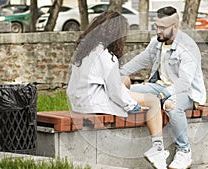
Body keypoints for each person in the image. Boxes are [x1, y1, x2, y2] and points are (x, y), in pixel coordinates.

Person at [66, 11, 169, 169]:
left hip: (79, 101)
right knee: (153, 102)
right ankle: (158, 150)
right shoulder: (106, 55)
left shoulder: (85, 50)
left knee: (126, 81)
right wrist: (132, 106)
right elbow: (114, 91)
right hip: (94, 103)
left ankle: (157, 148)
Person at [120, 6, 206, 169]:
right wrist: (116, 74)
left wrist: (163, 96)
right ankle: (158, 151)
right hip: (159, 88)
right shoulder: (157, 42)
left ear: (175, 27)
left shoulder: (188, 47)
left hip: (187, 94)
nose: (158, 31)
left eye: (162, 28)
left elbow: (184, 83)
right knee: (126, 93)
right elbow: (141, 61)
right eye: (156, 26)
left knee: (170, 105)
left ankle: (184, 152)